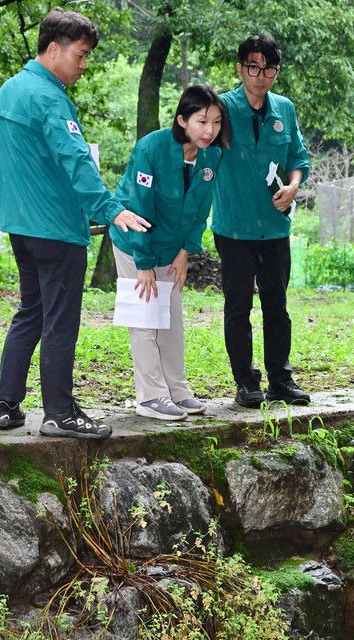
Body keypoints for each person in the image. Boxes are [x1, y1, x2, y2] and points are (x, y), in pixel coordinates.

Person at [0, 6, 149, 440]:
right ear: (53, 48)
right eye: (80, 54)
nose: (83, 63)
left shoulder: (10, 90)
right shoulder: (49, 98)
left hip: (21, 226)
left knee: (32, 312)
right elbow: (76, 161)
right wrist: (111, 209)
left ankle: (5, 404)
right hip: (56, 229)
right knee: (60, 320)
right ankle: (59, 412)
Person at [110, 85, 228, 421]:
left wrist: (184, 251)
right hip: (135, 241)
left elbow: (201, 207)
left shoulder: (212, 155)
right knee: (145, 316)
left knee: (171, 316)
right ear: (182, 120)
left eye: (216, 122)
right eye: (202, 121)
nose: (210, 130)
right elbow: (138, 206)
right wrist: (143, 262)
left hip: (171, 246)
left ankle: (176, 388)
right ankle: (151, 396)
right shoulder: (152, 148)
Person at [212, 33, 311, 409]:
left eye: (268, 68)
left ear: (276, 72)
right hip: (233, 227)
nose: (260, 75)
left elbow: (298, 159)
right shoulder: (221, 107)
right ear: (240, 69)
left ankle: (280, 379)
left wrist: (294, 187)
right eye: (253, 66)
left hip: (274, 227)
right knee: (238, 306)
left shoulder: (284, 109)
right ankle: (245, 382)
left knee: (277, 304)